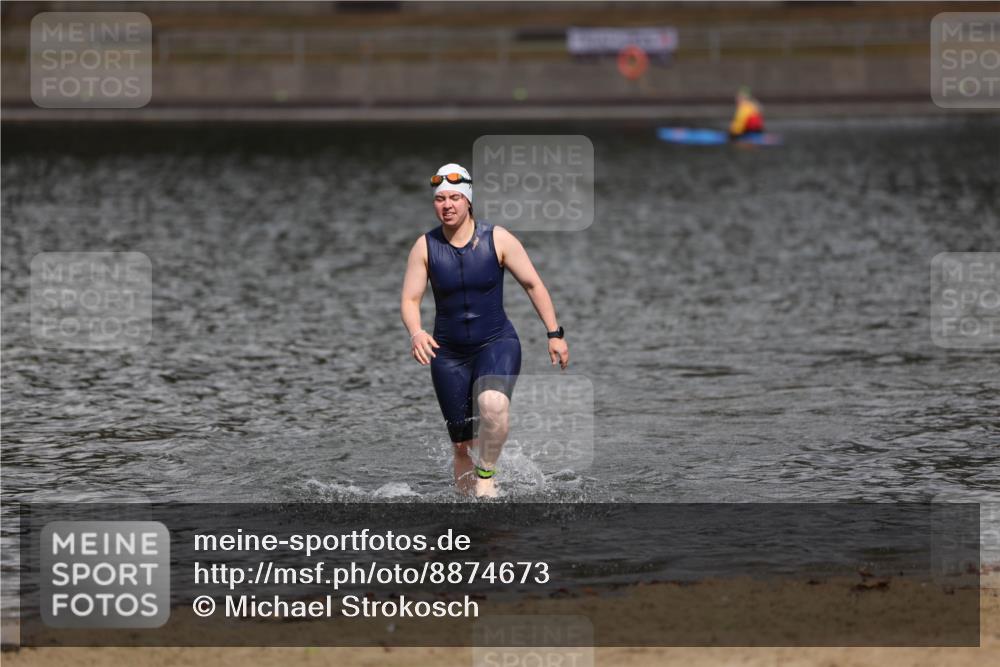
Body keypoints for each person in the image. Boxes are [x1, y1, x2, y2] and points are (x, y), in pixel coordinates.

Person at [400, 163, 569, 498]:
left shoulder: (498, 239)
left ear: (468, 201)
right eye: (440, 199)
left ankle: (487, 478)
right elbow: (410, 298)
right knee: (462, 444)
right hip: (447, 354)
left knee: (492, 404)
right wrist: (416, 332)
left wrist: (554, 334)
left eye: (454, 198)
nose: (447, 205)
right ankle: (470, 520)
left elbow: (533, 284)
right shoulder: (425, 246)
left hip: (496, 342)